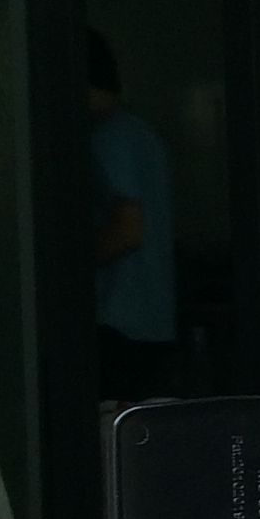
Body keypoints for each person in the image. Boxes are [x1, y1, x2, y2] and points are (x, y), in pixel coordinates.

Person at [87, 33, 178, 402]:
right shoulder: (139, 134)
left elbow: (128, 230)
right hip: (152, 320)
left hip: (118, 321)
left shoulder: (106, 138)